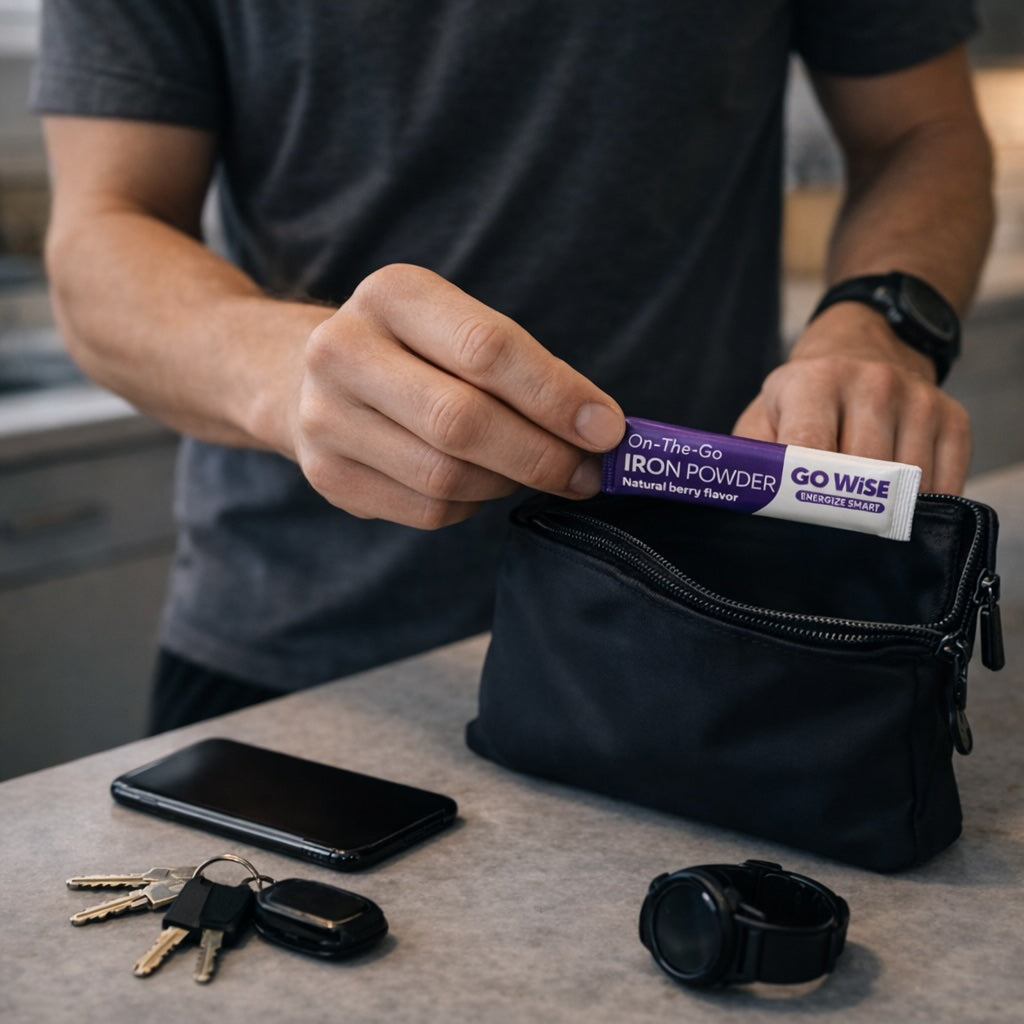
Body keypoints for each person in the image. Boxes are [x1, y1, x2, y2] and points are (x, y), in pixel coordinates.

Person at [32, 2, 994, 731]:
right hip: (295, 653)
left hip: (697, 624)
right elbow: (100, 237)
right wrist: (285, 371)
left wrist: (880, 321)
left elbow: (923, 130)